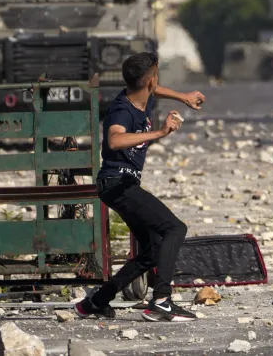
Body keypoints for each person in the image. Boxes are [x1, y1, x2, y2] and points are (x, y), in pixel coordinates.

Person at [75, 52, 206, 322]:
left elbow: (155, 88)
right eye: (155, 77)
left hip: (121, 184)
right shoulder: (122, 109)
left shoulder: (143, 95)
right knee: (174, 228)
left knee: (152, 251)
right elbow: (114, 140)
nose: (156, 84)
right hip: (117, 184)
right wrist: (160, 132)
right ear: (148, 81)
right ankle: (161, 300)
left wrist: (184, 97)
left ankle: (96, 302)